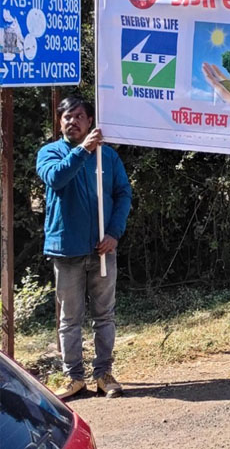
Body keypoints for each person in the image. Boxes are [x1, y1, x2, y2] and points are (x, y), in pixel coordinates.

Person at [36, 96, 132, 400]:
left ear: (90, 121)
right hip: (67, 250)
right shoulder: (50, 153)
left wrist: (114, 233)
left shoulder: (108, 156)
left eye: (79, 116)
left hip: (102, 250)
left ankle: (104, 374)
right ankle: (74, 378)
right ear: (59, 122)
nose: (72, 121)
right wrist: (82, 151)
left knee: (104, 316)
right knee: (69, 319)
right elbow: (56, 178)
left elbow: (123, 193)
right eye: (67, 117)